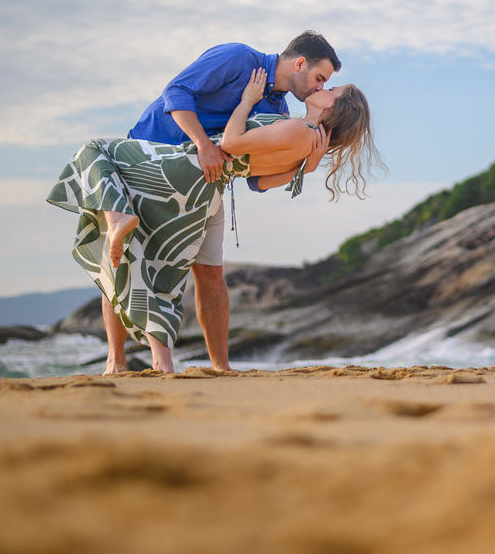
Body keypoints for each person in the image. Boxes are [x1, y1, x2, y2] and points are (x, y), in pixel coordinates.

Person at [47, 69, 380, 373]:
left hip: (188, 165)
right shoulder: (306, 142)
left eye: (333, 88)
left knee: (94, 151)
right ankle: (163, 361)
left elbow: (232, 142)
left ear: (337, 108)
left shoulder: (299, 130)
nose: (324, 86)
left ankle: (117, 216)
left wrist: (247, 101)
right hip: (208, 189)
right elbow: (260, 181)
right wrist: (304, 169)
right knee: (161, 265)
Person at [113, 31, 341, 372]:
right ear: (299, 63)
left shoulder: (278, 110)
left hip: (203, 184)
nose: (320, 87)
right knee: (125, 258)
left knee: (211, 275)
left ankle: (221, 367)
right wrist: (204, 145)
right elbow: (175, 92)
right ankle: (116, 360)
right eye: (319, 78)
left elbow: (256, 181)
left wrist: (305, 169)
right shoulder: (238, 58)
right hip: (150, 156)